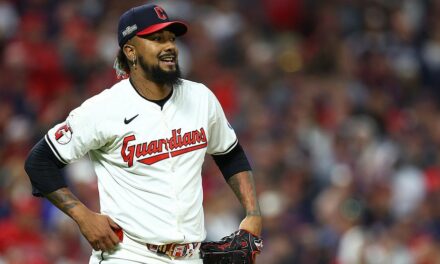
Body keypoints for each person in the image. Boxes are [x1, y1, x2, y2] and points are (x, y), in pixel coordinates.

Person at [24, 3, 262, 264]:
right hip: (128, 254)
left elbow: (230, 153)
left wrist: (252, 213)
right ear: (130, 51)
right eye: (156, 39)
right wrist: (83, 216)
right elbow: (39, 161)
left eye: (171, 38)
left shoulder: (201, 98)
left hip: (191, 256)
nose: (169, 46)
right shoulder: (103, 109)